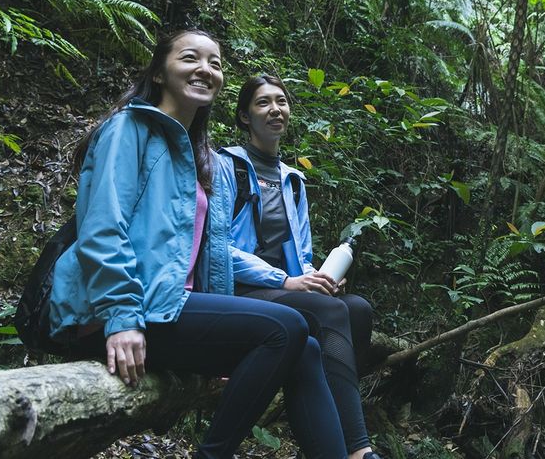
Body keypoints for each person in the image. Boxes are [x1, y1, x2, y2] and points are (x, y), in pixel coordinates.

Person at [47, 30, 348, 459]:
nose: (205, 69)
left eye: (215, 63)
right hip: (120, 313)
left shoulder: (197, 154)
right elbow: (102, 229)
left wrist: (229, 336)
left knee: (306, 349)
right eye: (191, 58)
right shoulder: (129, 129)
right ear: (158, 73)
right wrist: (121, 317)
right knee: (287, 327)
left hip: (171, 308)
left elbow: (208, 254)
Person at [222, 74, 381, 459]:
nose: (275, 109)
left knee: (357, 309)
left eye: (281, 101)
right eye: (263, 102)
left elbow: (301, 256)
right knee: (329, 311)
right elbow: (216, 249)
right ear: (244, 116)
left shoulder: (293, 182)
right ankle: (358, 449)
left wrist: (318, 278)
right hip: (239, 289)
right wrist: (286, 281)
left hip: (285, 288)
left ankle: (324, 435)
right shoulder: (227, 166)